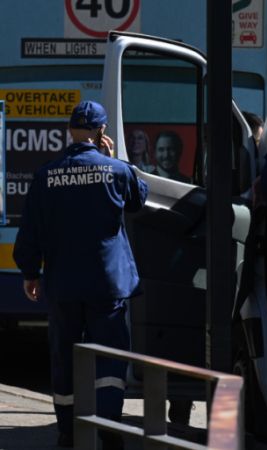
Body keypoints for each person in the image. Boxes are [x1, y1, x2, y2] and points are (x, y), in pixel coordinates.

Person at [13, 100, 148, 448]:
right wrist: (117, 160)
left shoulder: (46, 175)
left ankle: (68, 430)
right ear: (101, 132)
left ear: (69, 130)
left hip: (63, 284)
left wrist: (30, 272)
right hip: (107, 284)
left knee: (65, 356)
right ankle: (109, 427)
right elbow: (138, 201)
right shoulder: (116, 170)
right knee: (111, 357)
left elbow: (30, 230)